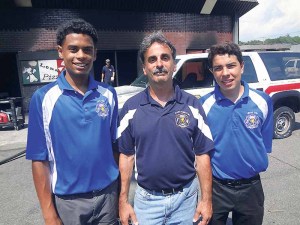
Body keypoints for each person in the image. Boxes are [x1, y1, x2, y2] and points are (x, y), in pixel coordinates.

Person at [26, 19, 119, 225]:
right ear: (61, 51)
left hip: (108, 196)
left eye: (87, 50)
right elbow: (39, 160)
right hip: (69, 202)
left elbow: (115, 146)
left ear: (95, 54)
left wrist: (119, 194)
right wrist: (49, 214)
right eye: (73, 49)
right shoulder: (44, 98)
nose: (80, 56)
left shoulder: (109, 94)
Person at [117, 31, 214, 225]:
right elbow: (127, 156)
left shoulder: (192, 105)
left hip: (186, 200)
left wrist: (206, 199)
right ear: (144, 68)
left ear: (174, 64)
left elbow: (203, 155)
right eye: (152, 59)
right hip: (146, 202)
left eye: (165, 58)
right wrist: (123, 201)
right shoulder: (130, 108)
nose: (159, 64)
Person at [200, 42, 273, 225]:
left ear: (242, 66)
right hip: (216, 188)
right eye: (218, 68)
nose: (225, 73)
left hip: (251, 187)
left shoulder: (262, 102)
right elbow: (201, 152)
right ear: (212, 72)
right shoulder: (204, 105)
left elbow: (262, 144)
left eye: (231, 65)